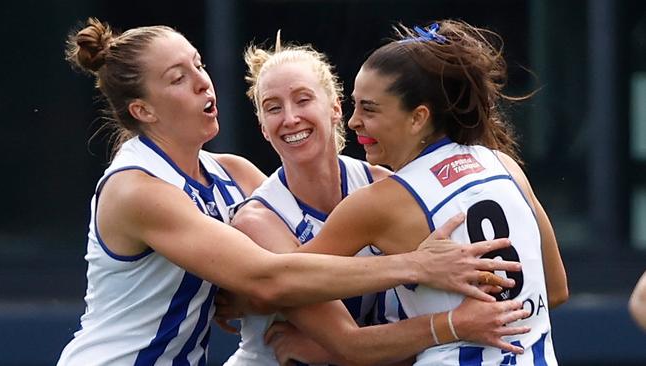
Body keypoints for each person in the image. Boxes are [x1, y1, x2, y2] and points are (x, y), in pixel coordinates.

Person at [57, 18, 520, 366]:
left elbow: (292, 266)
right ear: (143, 110)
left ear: (336, 107)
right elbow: (270, 275)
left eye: (198, 64)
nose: (203, 80)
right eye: (178, 78)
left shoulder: (232, 173)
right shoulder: (137, 189)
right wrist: (415, 267)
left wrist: (260, 299)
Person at [263, 20, 569, 365]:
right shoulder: (504, 164)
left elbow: (284, 285)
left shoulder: (381, 201)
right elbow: (556, 289)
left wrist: (240, 300)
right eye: (355, 105)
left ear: (417, 118)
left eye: (369, 109)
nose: (353, 121)